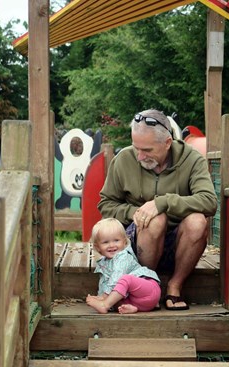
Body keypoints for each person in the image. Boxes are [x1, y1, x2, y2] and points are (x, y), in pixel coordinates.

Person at [98, 109, 217, 310]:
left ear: (168, 143)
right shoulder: (123, 160)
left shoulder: (192, 159)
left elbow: (209, 201)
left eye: (147, 150)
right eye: (136, 148)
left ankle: (174, 286)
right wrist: (137, 212)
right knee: (155, 220)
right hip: (136, 245)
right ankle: (144, 285)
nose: (139, 156)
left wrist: (162, 203)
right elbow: (105, 205)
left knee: (197, 221)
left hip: (179, 245)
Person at [86, 217, 161, 314]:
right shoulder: (103, 263)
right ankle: (132, 308)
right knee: (117, 298)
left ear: (125, 242)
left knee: (125, 279)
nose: (112, 245)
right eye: (106, 242)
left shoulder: (123, 256)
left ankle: (105, 305)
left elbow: (116, 277)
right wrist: (99, 297)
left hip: (149, 290)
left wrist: (104, 298)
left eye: (116, 240)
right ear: (97, 247)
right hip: (138, 302)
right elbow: (104, 283)